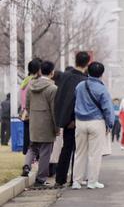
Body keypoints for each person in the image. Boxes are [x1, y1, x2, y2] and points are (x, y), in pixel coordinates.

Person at [72, 62, 116, 190]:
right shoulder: (102, 89)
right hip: (97, 122)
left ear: (88, 71)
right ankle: (92, 181)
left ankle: (76, 181)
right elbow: (108, 109)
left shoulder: (80, 86)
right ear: (101, 74)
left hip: (80, 122)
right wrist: (110, 124)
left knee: (79, 153)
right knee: (94, 154)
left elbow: (75, 100)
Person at [54, 52, 91, 187]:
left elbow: (60, 98)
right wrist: (73, 119)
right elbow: (77, 101)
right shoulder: (83, 80)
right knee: (79, 150)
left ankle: (60, 178)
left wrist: (63, 118)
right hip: (77, 119)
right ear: (87, 63)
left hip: (65, 119)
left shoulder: (64, 77)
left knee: (66, 148)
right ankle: (75, 178)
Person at [24, 61, 59, 188]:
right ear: (52, 72)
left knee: (32, 147)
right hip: (47, 124)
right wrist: (57, 128)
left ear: (40, 71)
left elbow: (27, 105)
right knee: (45, 151)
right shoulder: (53, 88)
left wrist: (33, 115)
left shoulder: (31, 85)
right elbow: (54, 110)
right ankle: (41, 179)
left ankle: (26, 166)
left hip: (34, 121)